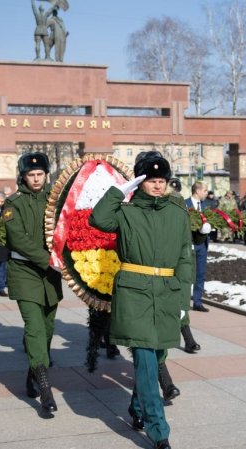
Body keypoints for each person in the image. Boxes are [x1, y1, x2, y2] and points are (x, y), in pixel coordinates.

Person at [90, 150, 193, 449]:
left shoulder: (177, 212)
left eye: (162, 180)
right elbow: (99, 219)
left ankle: (137, 408)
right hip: (135, 290)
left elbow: (186, 257)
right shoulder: (126, 211)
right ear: (140, 182)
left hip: (168, 291)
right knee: (146, 358)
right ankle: (158, 430)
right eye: (151, 180)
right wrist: (119, 192)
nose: (158, 186)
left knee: (159, 355)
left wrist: (183, 299)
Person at [3, 152, 64, 413]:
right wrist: (47, 258)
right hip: (24, 271)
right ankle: (45, 388)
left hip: (50, 275)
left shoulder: (56, 199)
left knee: (48, 328)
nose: (36, 179)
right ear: (23, 176)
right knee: (35, 327)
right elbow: (17, 239)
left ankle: (31, 373)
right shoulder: (12, 203)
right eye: (31, 175)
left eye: (40, 174)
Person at [185, 181, 211, 313]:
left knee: (200, 273)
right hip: (188, 244)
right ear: (198, 191)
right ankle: (183, 301)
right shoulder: (185, 204)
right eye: (205, 190)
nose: (207, 193)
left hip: (202, 244)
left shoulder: (206, 206)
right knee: (186, 273)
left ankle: (197, 301)